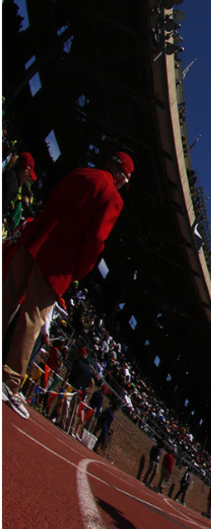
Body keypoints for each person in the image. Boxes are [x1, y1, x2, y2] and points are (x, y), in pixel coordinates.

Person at [2, 152, 131, 417]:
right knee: (33, 319)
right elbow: (95, 241)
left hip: (34, 240)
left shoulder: (80, 172)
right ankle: (9, 381)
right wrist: (78, 271)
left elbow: (51, 201)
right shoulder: (113, 198)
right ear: (121, 178)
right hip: (56, 263)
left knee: (6, 299)